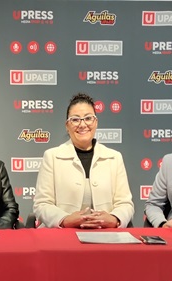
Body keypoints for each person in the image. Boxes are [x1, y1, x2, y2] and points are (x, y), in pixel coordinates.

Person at [33, 93, 134, 228]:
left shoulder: (114, 157)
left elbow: (125, 204)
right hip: (61, 237)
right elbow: (42, 204)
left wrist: (114, 219)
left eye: (88, 118)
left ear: (96, 122)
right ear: (67, 125)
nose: (82, 124)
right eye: (75, 120)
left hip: (106, 236)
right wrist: (65, 219)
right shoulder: (52, 157)